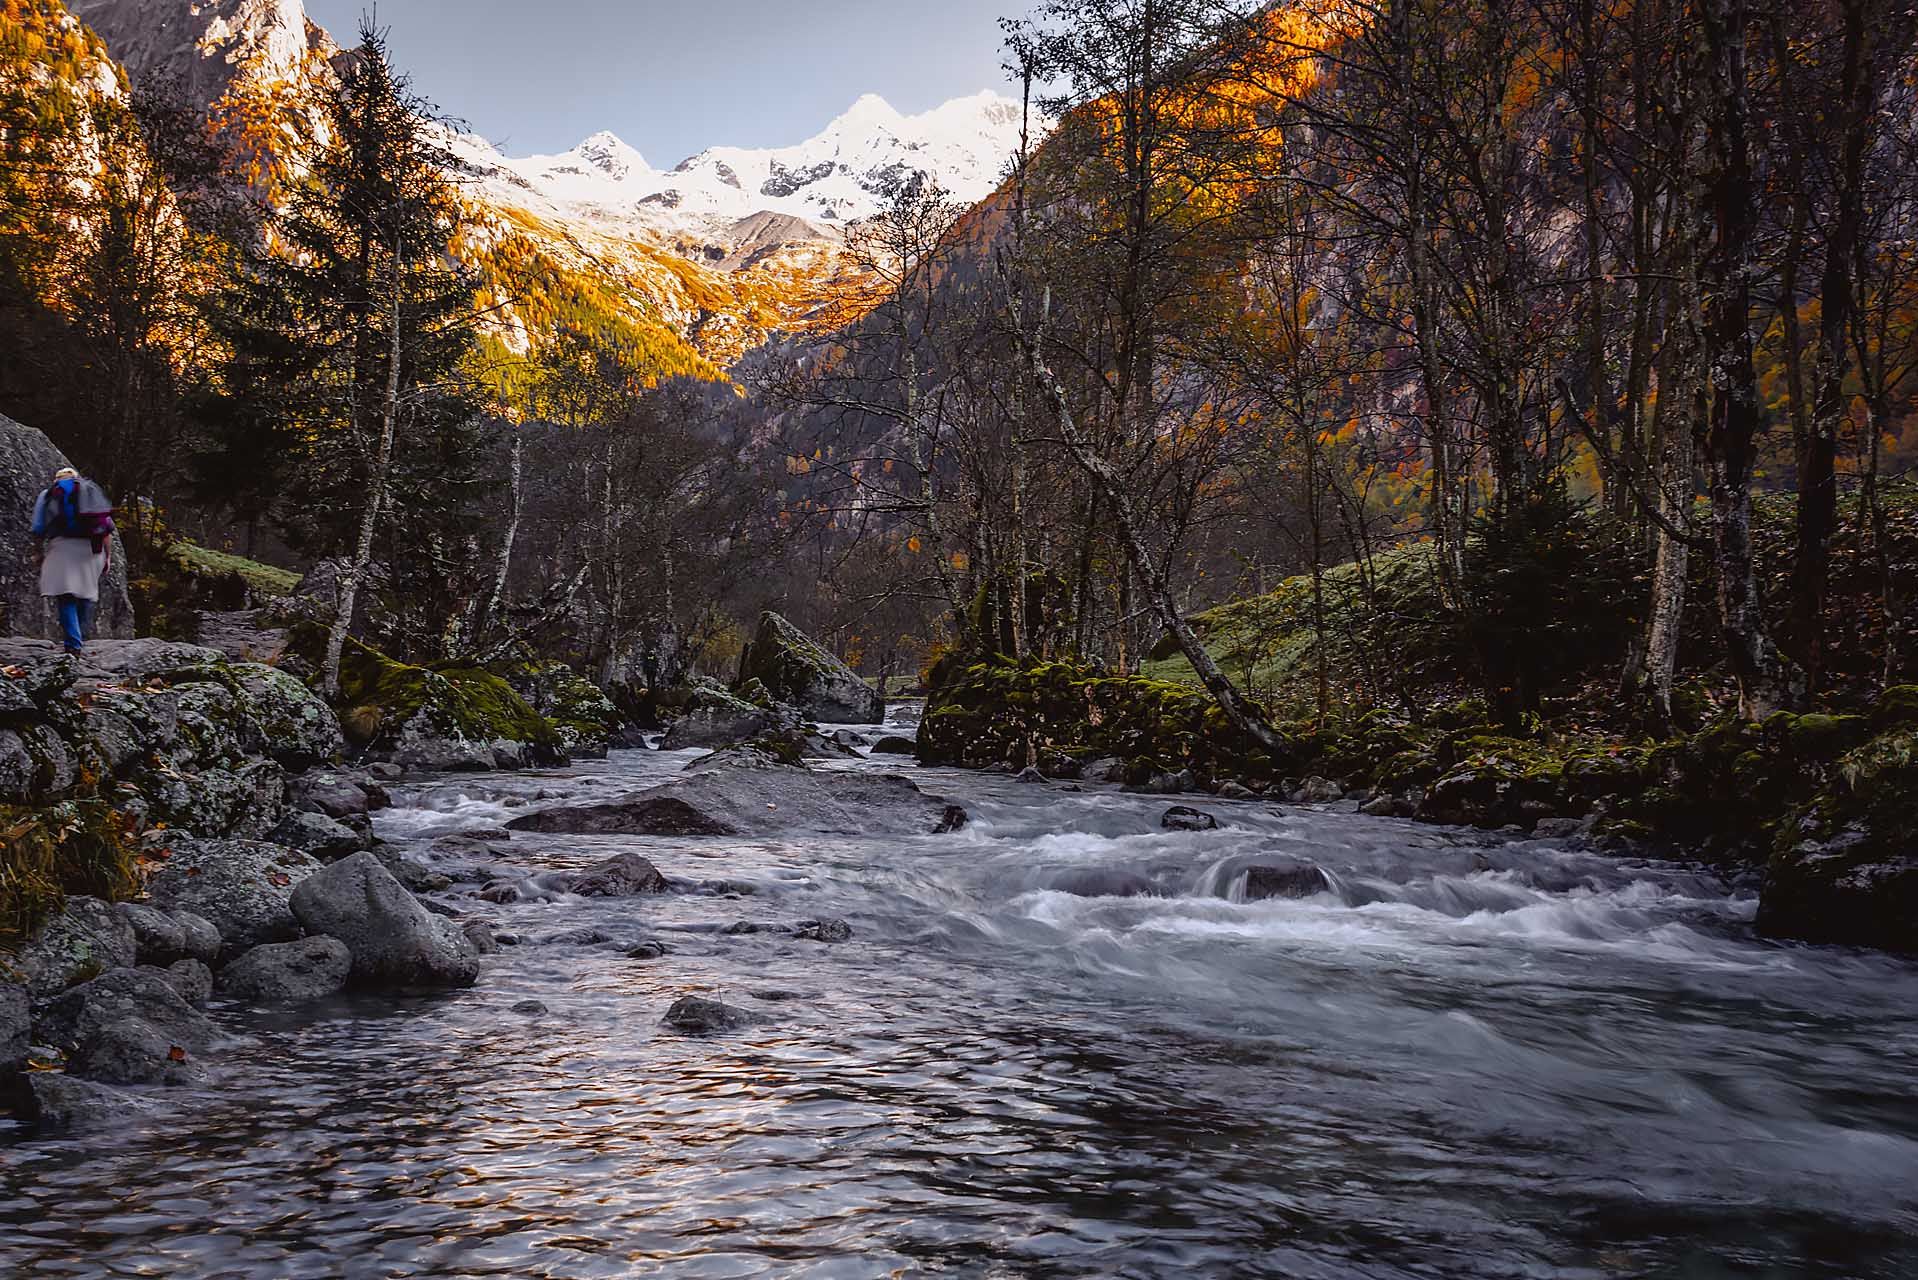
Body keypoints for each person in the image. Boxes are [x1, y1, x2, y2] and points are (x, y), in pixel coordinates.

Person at [29, 467, 114, 656]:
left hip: (62, 547)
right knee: (85, 594)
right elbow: (106, 528)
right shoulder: (89, 492)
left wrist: (38, 552)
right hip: (92, 548)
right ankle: (79, 637)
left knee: (66, 595)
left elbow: (38, 527)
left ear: (56, 480)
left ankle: (73, 644)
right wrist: (107, 557)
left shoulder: (49, 494)